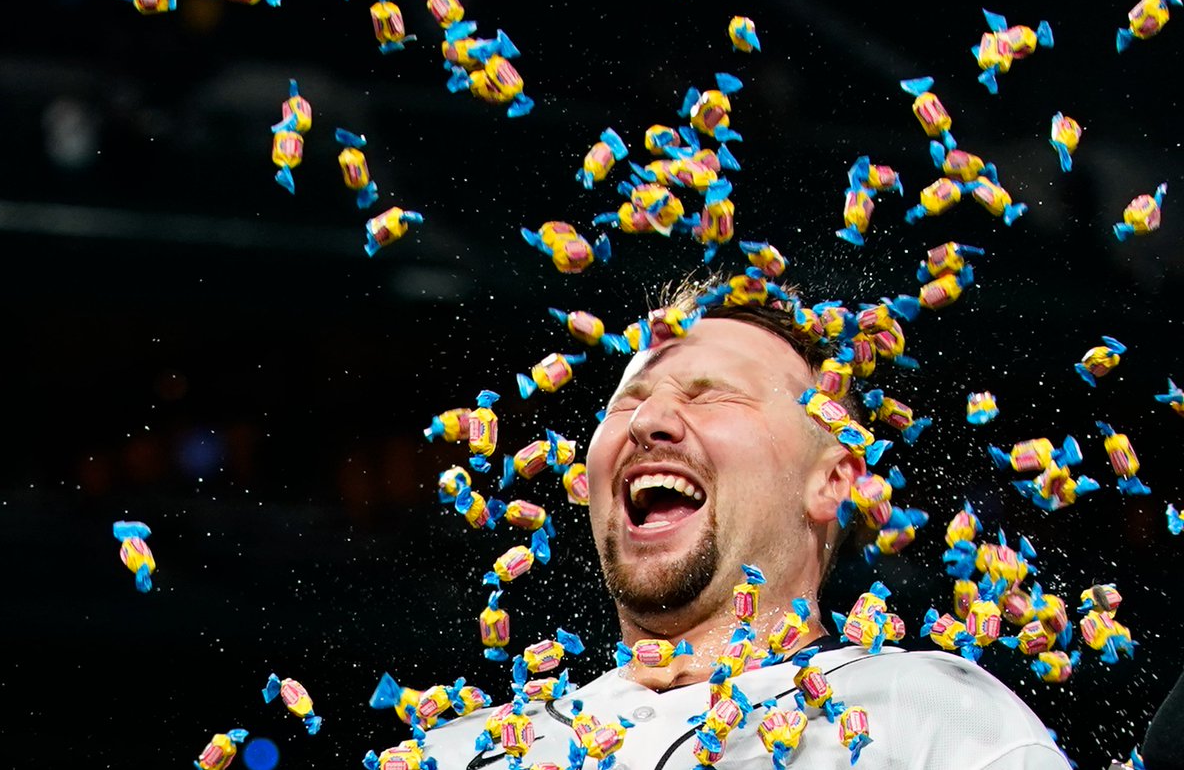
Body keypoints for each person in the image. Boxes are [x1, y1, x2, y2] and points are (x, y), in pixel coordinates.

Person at [422, 281, 1071, 769]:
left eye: (712, 394)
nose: (651, 421)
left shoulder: (935, 719)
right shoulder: (461, 752)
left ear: (833, 479)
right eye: (629, 402)